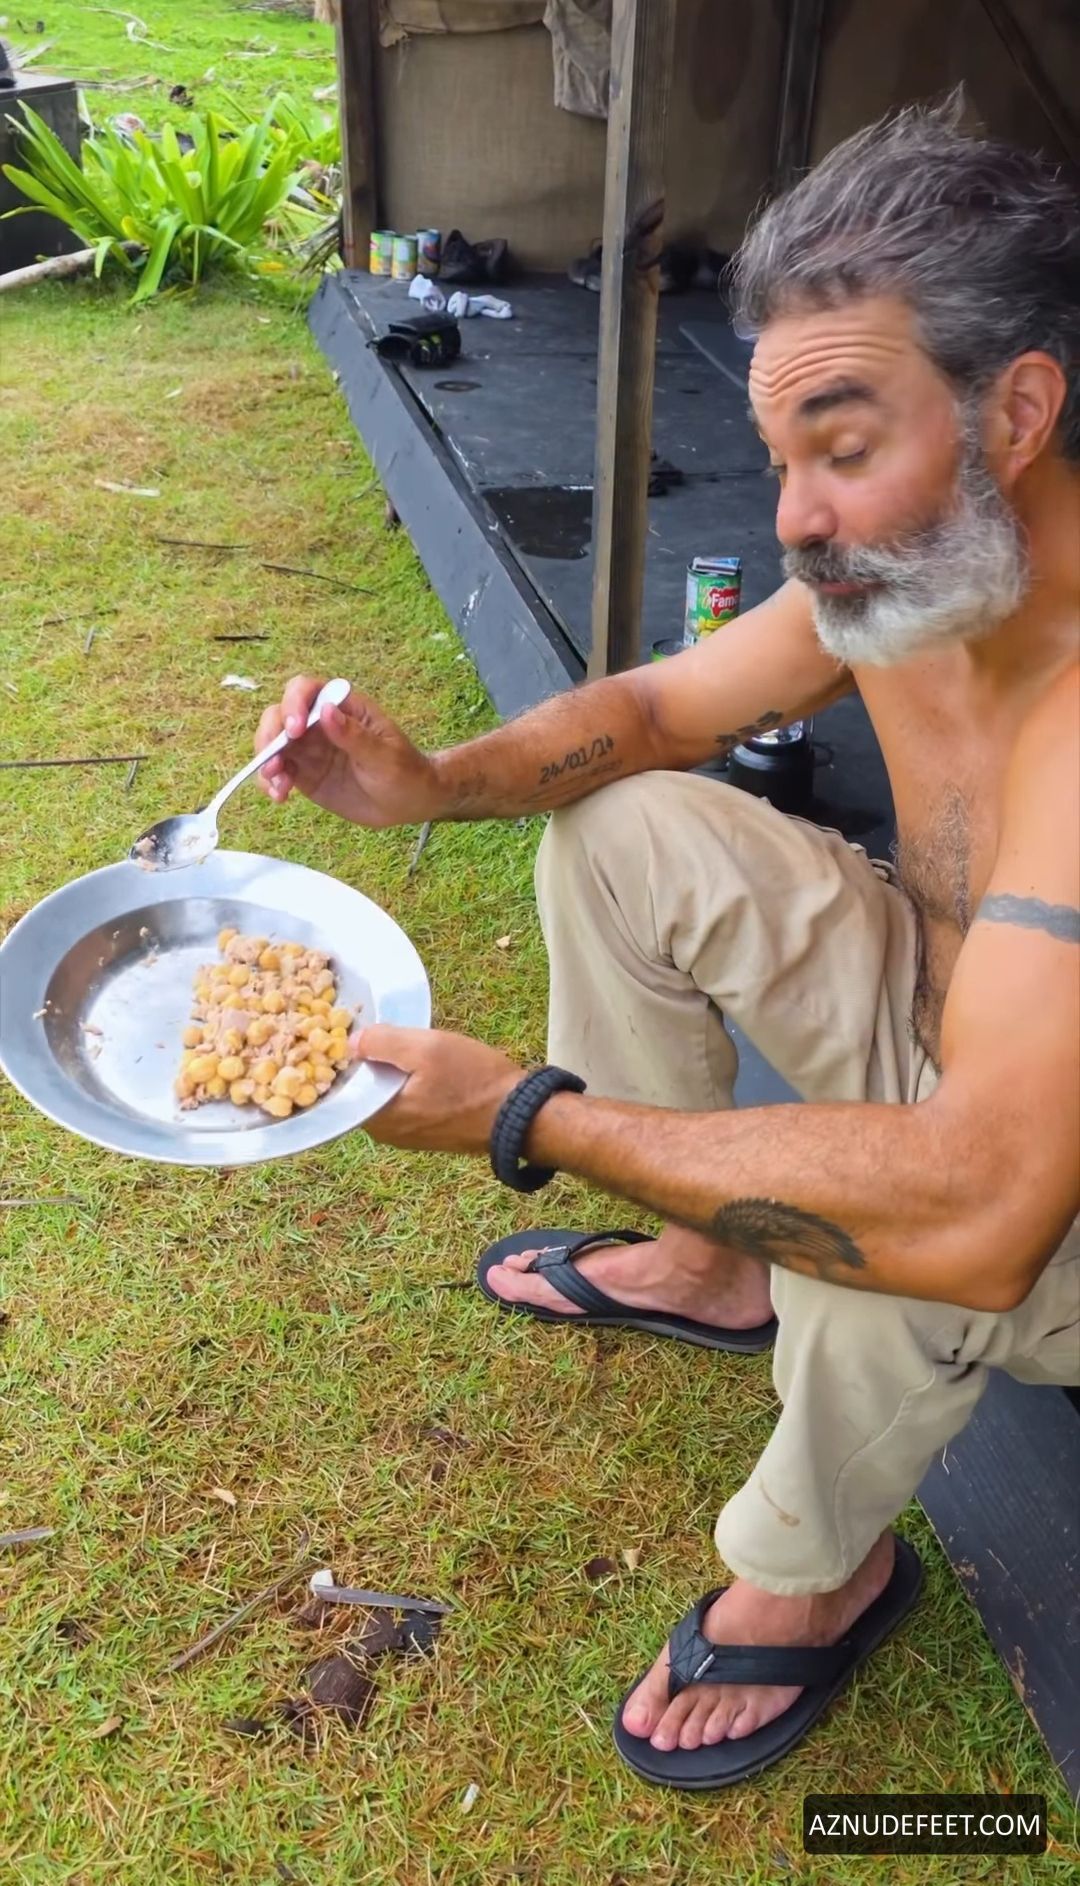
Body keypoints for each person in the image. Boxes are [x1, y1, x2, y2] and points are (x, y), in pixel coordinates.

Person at [255, 100, 1079, 1790]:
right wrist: (430, 780)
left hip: (1038, 1187)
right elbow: (648, 713)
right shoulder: (915, 564)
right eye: (781, 459)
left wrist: (530, 1113)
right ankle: (715, 1268)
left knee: (892, 1244)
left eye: (842, 447)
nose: (795, 517)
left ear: (1018, 411)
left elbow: (988, 1202)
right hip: (944, 1025)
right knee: (624, 829)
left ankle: (817, 1571)